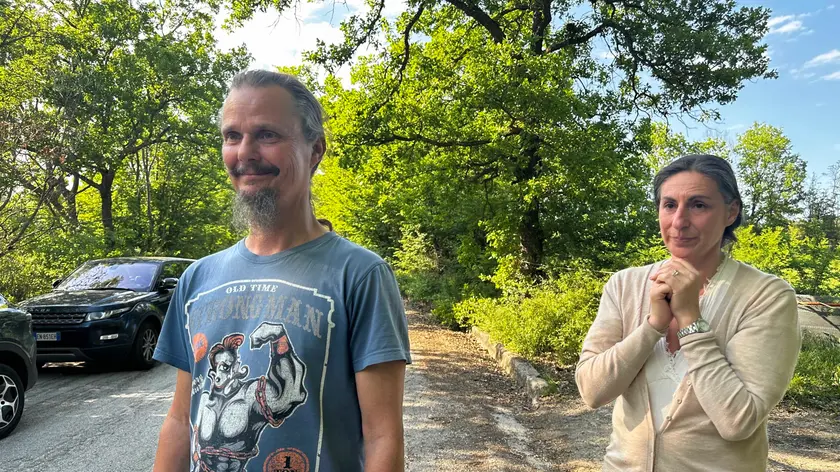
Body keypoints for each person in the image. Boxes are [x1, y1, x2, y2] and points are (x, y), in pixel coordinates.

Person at [152, 70, 412, 472]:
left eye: (267, 135)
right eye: (232, 136)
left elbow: (383, 436)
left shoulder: (360, 276)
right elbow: (179, 421)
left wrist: (281, 347)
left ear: (315, 150)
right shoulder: (197, 280)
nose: (245, 152)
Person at [575, 154, 801, 471]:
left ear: (731, 212)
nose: (679, 221)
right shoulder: (625, 285)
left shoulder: (766, 296)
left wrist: (690, 321)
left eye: (698, 205)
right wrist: (652, 326)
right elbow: (592, 391)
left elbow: (737, 421)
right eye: (669, 205)